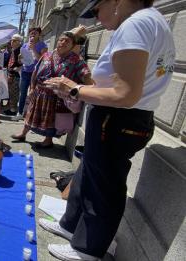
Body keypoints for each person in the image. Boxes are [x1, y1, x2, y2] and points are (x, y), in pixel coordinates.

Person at [39, 0, 175, 260]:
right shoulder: (151, 20)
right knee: (88, 174)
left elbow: (125, 93)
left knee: (104, 186)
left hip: (118, 118)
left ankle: (89, 248)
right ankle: (71, 227)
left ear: (116, 2)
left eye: (97, 11)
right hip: (118, 117)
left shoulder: (136, 24)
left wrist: (74, 89)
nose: (97, 20)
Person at [10, 30, 92, 148]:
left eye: (67, 41)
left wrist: (88, 89)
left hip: (56, 96)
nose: (63, 42)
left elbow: (86, 76)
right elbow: (35, 71)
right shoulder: (47, 55)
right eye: (61, 40)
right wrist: (32, 87)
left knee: (51, 120)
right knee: (30, 113)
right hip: (39, 92)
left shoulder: (77, 60)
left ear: (73, 46)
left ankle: (48, 140)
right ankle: (23, 134)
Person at [13, 27, 48, 120]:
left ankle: (33, 115)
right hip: (25, 71)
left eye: (35, 33)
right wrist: (20, 58)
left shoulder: (43, 45)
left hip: (36, 72)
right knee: (23, 93)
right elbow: (20, 61)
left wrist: (33, 49)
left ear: (39, 35)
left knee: (35, 93)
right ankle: (20, 112)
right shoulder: (24, 45)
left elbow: (43, 59)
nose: (33, 34)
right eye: (31, 33)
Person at [4, 34, 24, 115]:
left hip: (16, 75)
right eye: (11, 40)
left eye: (14, 40)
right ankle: (10, 108)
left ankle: (13, 110)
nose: (12, 42)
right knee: (10, 92)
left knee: (14, 92)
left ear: (19, 42)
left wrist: (18, 68)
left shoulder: (21, 51)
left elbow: (24, 63)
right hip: (11, 74)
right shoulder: (13, 50)